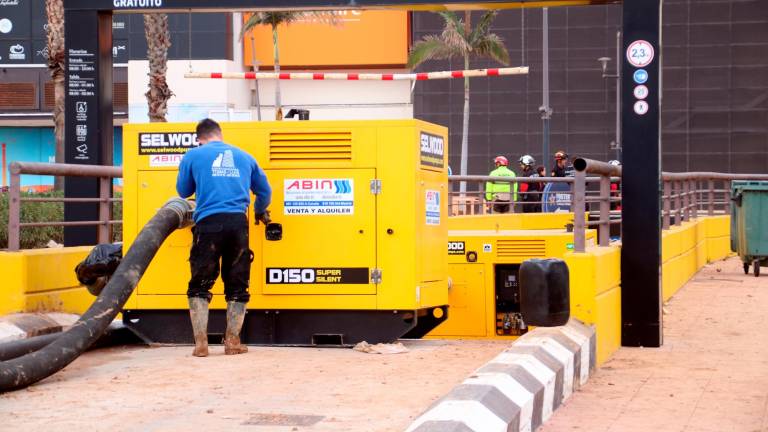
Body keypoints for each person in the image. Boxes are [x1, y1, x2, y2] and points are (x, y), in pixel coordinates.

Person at [176, 118, 272, 357]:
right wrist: (260, 210)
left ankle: (200, 344)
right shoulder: (244, 156)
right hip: (238, 225)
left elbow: (183, 191)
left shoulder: (193, 156)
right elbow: (265, 191)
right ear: (220, 134)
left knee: (200, 283)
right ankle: (233, 342)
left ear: (199, 138)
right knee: (237, 283)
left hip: (208, 225)